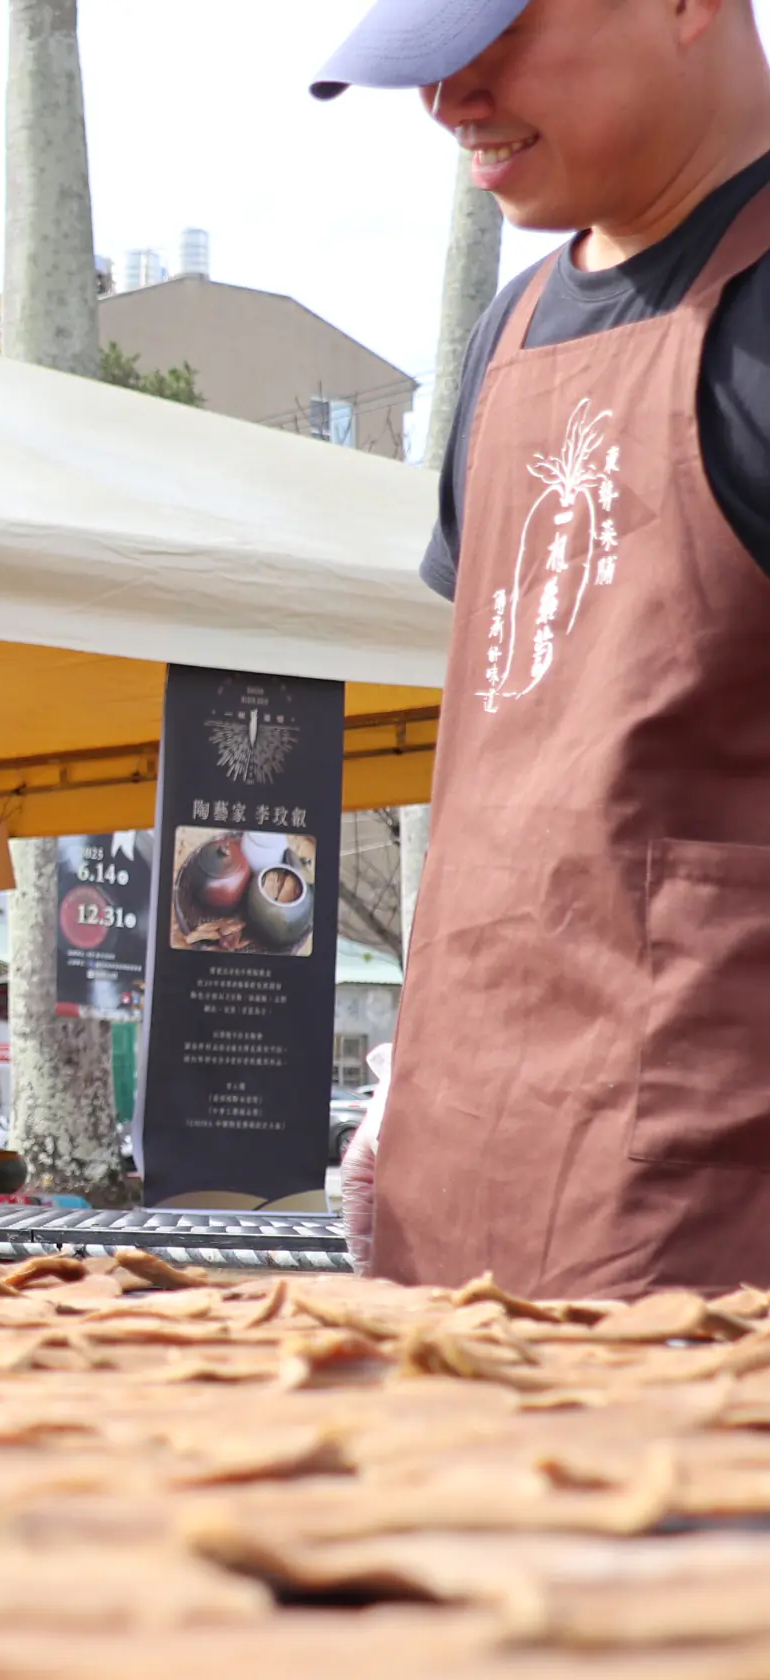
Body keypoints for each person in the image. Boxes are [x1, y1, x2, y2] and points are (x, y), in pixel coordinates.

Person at [318, 0, 770, 1295]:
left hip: (710, 1234)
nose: (448, 100)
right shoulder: (505, 338)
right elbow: (512, 761)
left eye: (491, 41)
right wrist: (413, 1087)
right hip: (457, 1186)